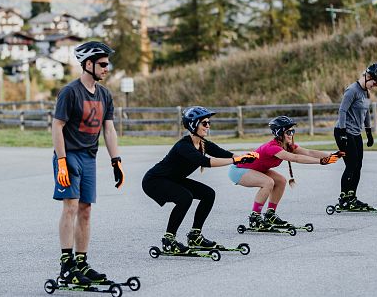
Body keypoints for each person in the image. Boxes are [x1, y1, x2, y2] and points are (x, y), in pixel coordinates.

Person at [51, 41, 124, 285]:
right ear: (88, 64)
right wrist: (61, 161)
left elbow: (109, 129)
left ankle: (81, 263)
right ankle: (66, 265)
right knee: (70, 206)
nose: (106, 68)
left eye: (107, 64)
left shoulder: (105, 94)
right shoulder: (70, 92)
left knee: (86, 210)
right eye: (102, 64)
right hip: (69, 155)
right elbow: (57, 126)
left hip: (89, 158)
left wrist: (116, 161)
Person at [142, 106, 258, 253]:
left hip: (172, 179)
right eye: (204, 123)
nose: (208, 126)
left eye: (209, 123)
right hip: (155, 181)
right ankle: (168, 240)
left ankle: (195, 236)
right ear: (193, 125)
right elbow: (206, 162)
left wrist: (246, 157)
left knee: (208, 194)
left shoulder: (203, 143)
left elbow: (223, 153)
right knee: (185, 198)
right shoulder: (183, 146)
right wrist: (236, 160)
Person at [228, 115, 341, 229]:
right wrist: (321, 161)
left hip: (254, 169)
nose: (291, 134)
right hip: (238, 170)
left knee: (281, 181)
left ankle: (270, 215)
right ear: (279, 133)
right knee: (268, 182)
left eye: (293, 131)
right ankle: (255, 217)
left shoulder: (287, 146)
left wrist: (333, 155)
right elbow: (295, 158)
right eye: (288, 132)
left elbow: (308, 152)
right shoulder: (273, 147)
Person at [333, 63, 377, 210]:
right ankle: (344, 199)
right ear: (368, 77)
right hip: (343, 131)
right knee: (351, 165)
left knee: (358, 166)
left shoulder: (366, 92)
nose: (375, 85)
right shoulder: (352, 90)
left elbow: (366, 112)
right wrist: (343, 132)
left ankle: (352, 197)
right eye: (375, 82)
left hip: (356, 133)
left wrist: (368, 132)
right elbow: (342, 111)